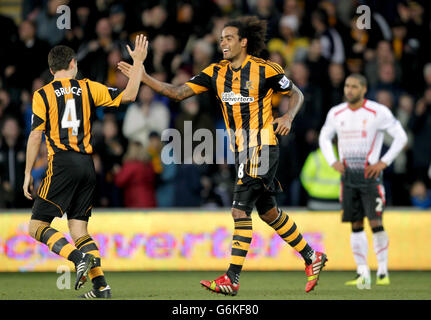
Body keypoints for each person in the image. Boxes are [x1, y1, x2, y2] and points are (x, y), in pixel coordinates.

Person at [118, 16, 328, 295]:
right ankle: (312, 256)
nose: (223, 43)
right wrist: (143, 77)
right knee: (268, 212)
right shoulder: (215, 72)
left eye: (228, 38)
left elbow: (296, 93)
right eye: (221, 39)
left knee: (239, 210)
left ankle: (232, 278)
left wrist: (288, 115)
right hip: (243, 152)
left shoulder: (266, 70)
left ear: (243, 41)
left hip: (262, 146)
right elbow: (179, 92)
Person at [22, 35, 146, 298]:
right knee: (79, 229)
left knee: (36, 226)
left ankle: (77, 257)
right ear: (74, 64)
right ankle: (101, 287)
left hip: (63, 163)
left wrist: (26, 174)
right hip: (87, 165)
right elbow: (131, 94)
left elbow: (35, 135)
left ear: (52, 69)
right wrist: (137, 65)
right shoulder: (89, 87)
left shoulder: (42, 95)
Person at [319, 74, 408, 288]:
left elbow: (401, 137)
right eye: (347, 86)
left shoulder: (378, 112)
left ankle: (383, 271)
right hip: (348, 177)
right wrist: (333, 161)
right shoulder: (336, 113)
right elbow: (324, 136)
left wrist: (383, 162)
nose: (349, 90)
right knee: (356, 224)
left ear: (364, 89)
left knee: (376, 222)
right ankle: (363, 273)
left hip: (370, 176)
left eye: (354, 86)